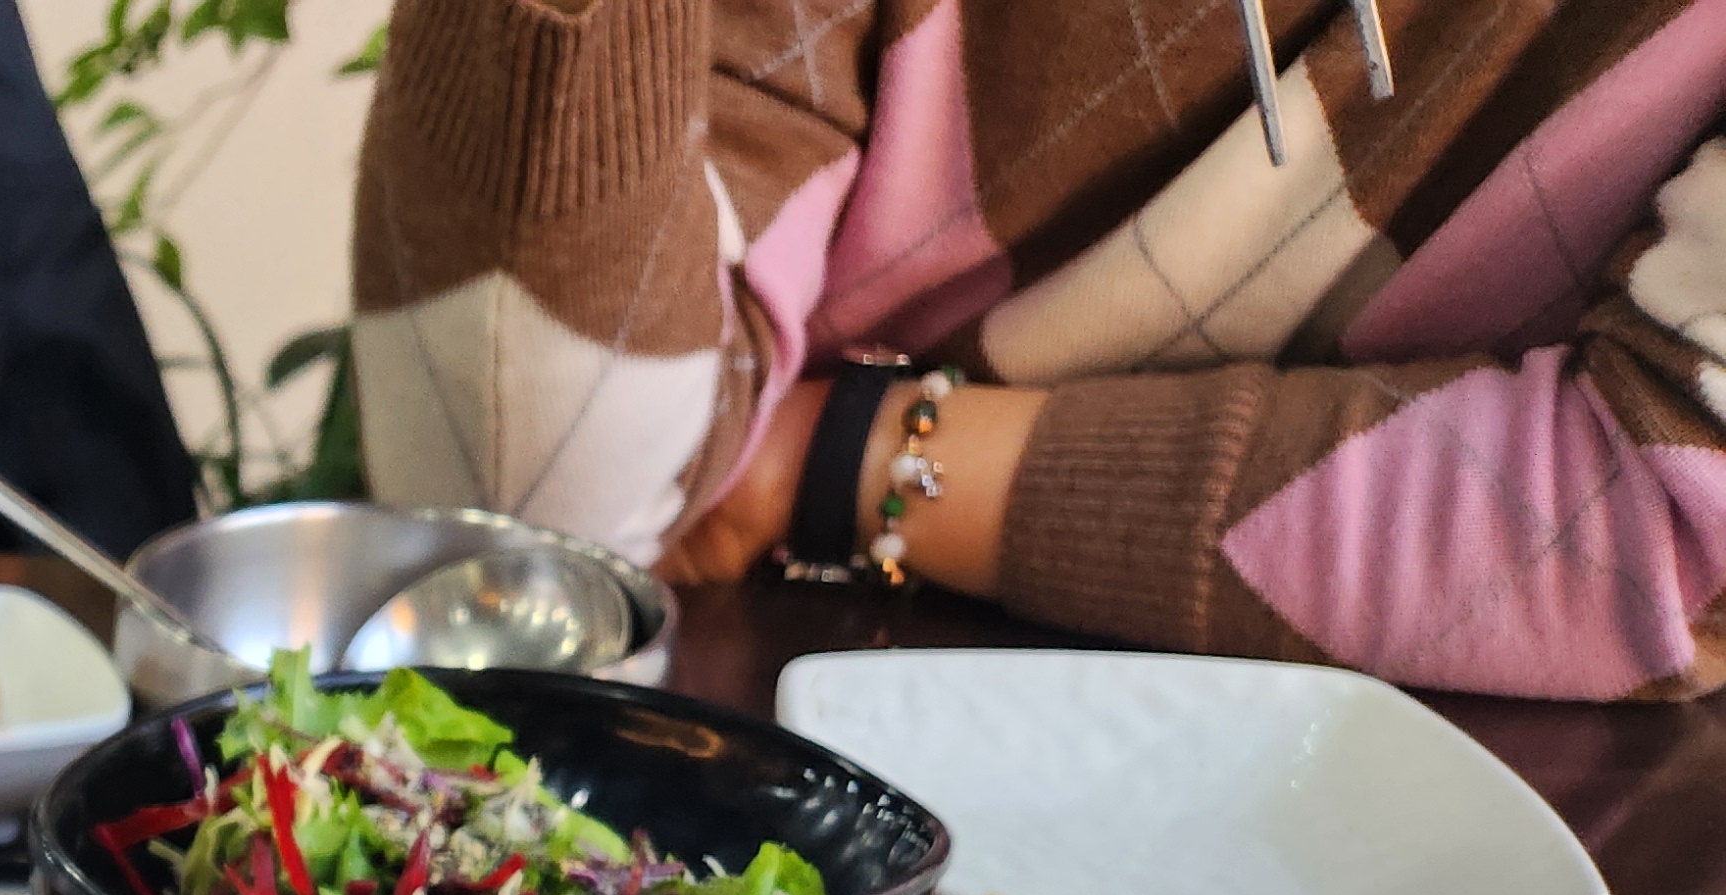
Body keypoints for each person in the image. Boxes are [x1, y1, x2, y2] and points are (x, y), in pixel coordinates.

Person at [349, 0, 1726, 699]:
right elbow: (531, 529)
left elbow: (1675, 529)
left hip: (1521, 885)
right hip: (792, 762)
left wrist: (840, 453)